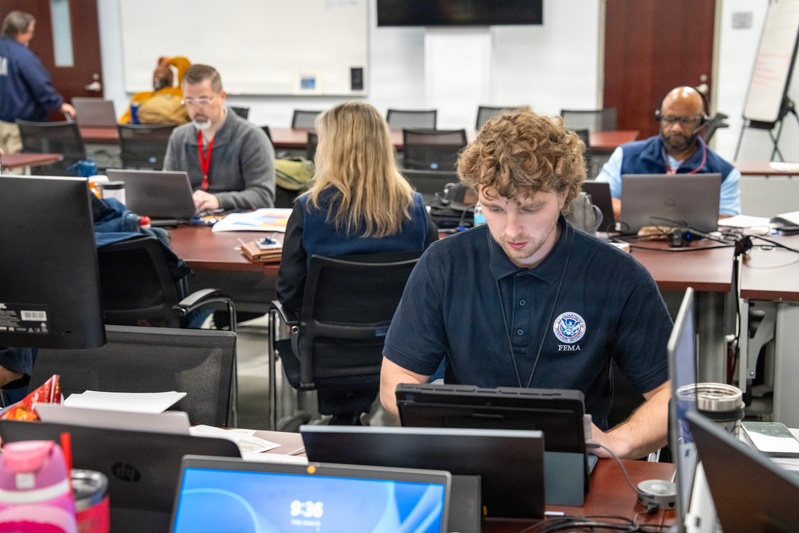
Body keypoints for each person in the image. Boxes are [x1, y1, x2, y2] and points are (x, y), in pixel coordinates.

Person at [380, 108, 673, 459]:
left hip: (574, 461)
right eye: (495, 208)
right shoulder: (444, 264)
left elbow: (676, 393)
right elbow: (395, 382)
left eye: (530, 209)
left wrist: (618, 441)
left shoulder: (619, 276)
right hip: (468, 457)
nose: (512, 230)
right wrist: (453, 432)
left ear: (564, 194)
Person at [276, 101, 438, 424]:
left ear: (332, 149)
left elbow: (289, 291)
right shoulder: (415, 208)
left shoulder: (309, 210)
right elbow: (431, 286)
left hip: (325, 351)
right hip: (401, 352)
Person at [596, 86, 741, 221]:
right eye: (670, 119)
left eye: (686, 120)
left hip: (697, 248)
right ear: (660, 118)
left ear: (701, 122)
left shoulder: (725, 173)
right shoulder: (625, 156)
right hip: (630, 245)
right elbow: (599, 199)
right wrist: (656, 218)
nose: (676, 128)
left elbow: (729, 222)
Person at [163, 64, 275, 211]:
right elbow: (167, 190)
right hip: (192, 222)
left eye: (203, 100)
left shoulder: (251, 137)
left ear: (222, 97)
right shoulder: (179, 137)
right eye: (189, 101)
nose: (197, 109)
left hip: (235, 223)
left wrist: (219, 200)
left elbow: (263, 196)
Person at [0, 10, 76, 155]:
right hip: (20, 125)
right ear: (20, 33)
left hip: (2, 121)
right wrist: (58, 104)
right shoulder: (23, 56)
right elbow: (40, 85)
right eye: (30, 32)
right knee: (19, 171)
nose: (31, 37)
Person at [119, 56, 191, 125]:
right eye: (155, 73)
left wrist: (168, 61)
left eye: (161, 73)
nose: (156, 76)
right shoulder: (140, 95)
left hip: (167, 132)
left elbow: (184, 63)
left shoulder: (178, 91)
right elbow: (123, 119)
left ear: (170, 77)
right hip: (143, 134)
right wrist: (127, 122)